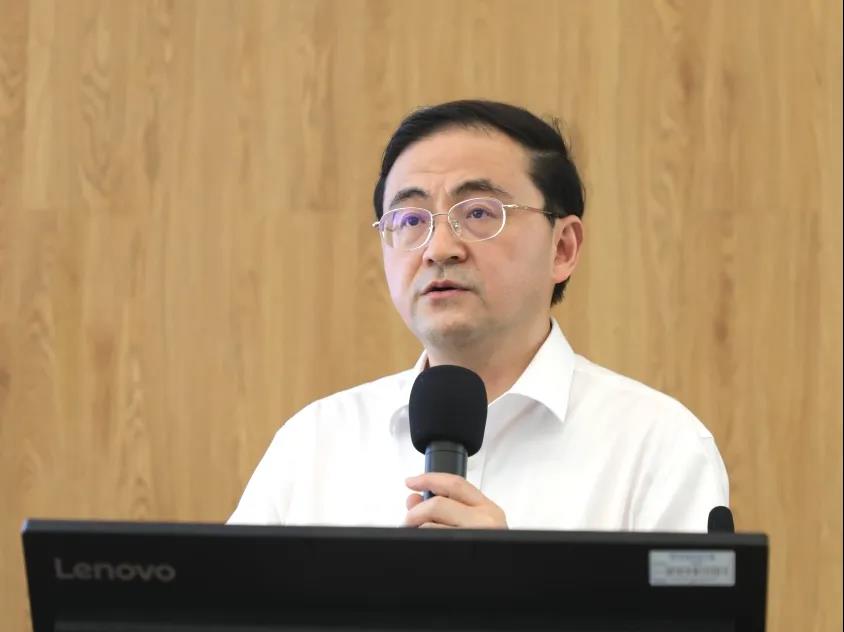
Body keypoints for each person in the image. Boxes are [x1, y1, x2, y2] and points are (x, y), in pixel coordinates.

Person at [228, 100, 728, 531]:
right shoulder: (314, 443)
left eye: (479, 213)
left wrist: (511, 589)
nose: (439, 248)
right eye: (410, 219)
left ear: (563, 248)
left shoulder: (657, 446)